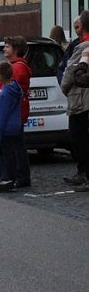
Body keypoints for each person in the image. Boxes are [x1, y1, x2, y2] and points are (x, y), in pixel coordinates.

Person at [0, 36, 32, 187]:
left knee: (14, 147)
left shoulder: (16, 68)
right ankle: (20, 176)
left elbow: (3, 91)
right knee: (17, 145)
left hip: (14, 114)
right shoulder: (14, 66)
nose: (4, 49)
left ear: (16, 49)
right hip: (16, 112)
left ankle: (16, 176)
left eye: (7, 46)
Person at [61, 10, 89, 187]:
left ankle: (85, 175)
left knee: (80, 139)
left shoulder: (82, 48)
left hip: (80, 100)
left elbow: (69, 72)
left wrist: (64, 88)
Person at [0, 62, 26, 193]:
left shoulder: (4, 93)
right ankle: (12, 178)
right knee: (12, 153)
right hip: (16, 125)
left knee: (1, 153)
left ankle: (6, 178)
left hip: (6, 128)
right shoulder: (15, 88)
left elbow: (2, 116)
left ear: (0, 76)